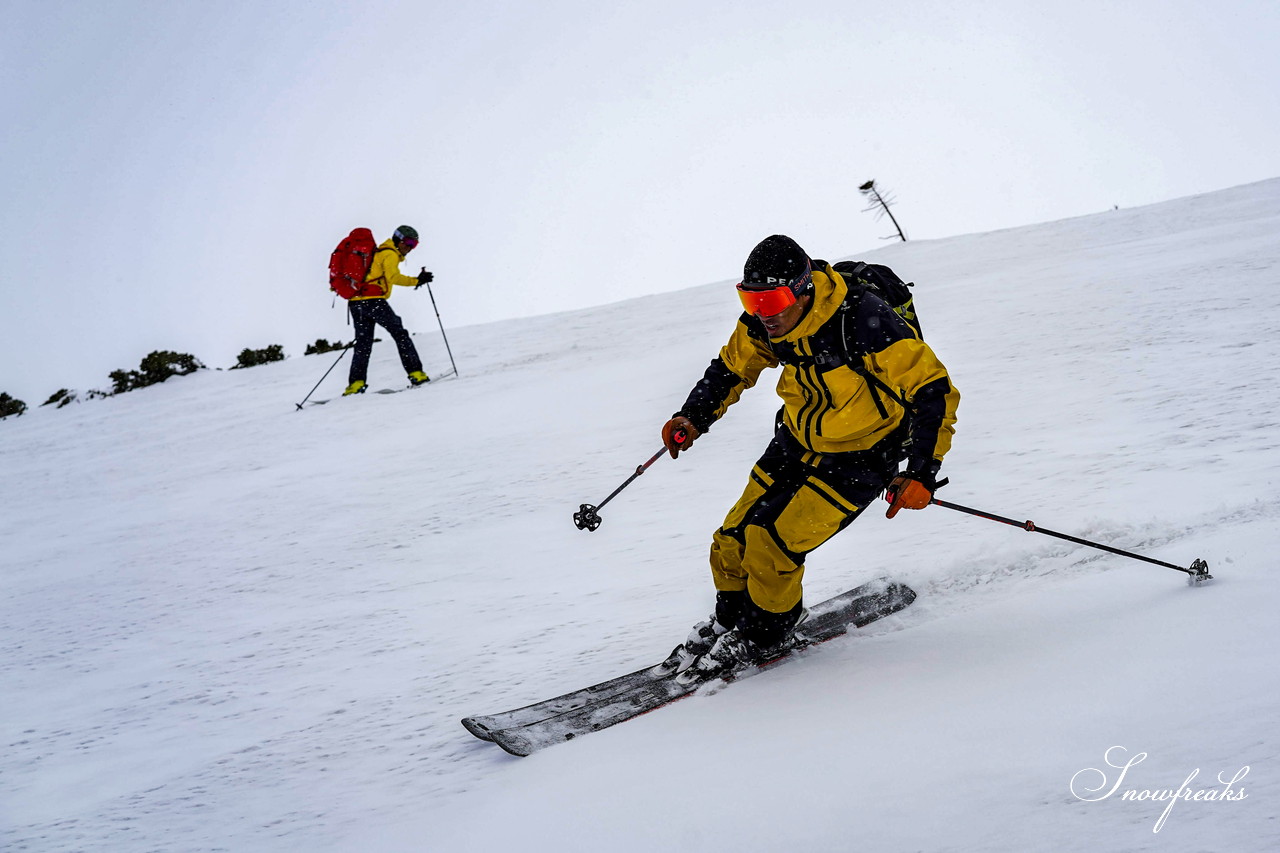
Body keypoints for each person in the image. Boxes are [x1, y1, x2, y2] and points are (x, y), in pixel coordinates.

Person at [662, 234, 959, 676]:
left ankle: (765, 635)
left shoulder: (861, 319)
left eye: (773, 299)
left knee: (771, 545)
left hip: (863, 456)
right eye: (751, 300)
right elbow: (731, 367)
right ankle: (729, 622)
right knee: (731, 539)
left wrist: (921, 473)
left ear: (802, 289)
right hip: (797, 440)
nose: (763, 313)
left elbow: (933, 391)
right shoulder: (766, 322)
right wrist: (693, 416)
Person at [343, 225, 434, 396]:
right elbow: (393, 277)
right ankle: (416, 374)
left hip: (356, 302)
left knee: (363, 344)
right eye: (408, 242)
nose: (410, 247)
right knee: (400, 334)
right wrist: (417, 281)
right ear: (398, 239)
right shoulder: (389, 253)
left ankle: (355, 385)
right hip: (373, 301)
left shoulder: (379, 253)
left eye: (414, 244)